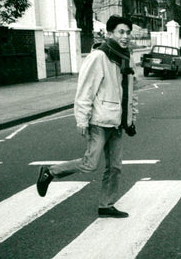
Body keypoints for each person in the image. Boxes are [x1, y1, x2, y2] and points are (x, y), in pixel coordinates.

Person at [36, 15, 137, 218]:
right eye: (121, 32)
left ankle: (106, 205)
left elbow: (131, 91)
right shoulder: (99, 56)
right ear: (109, 34)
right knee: (90, 164)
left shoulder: (126, 57)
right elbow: (85, 89)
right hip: (99, 121)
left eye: (128, 32)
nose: (125, 36)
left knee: (115, 167)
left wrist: (131, 117)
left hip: (117, 122)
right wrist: (82, 119)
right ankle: (50, 172)